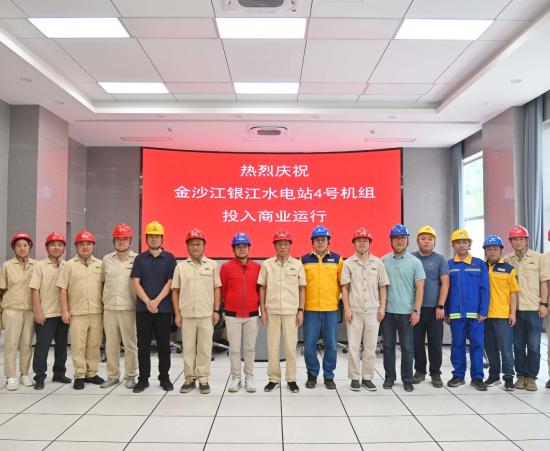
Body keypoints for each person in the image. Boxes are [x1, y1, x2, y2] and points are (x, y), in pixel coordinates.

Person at [172, 228, 222, 395]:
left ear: (204, 245)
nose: (195, 247)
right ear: (187, 246)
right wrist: (177, 314)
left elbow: (217, 289)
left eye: (198, 244)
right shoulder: (180, 267)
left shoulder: (212, 265)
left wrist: (216, 311)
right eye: (192, 244)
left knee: (205, 348)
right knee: (188, 349)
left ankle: (203, 379)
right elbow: (175, 291)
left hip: (206, 314)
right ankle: (189, 379)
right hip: (186, 315)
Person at [131, 221, 177, 393]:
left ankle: (164, 378)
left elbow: (170, 282)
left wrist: (156, 301)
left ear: (162, 238)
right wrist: (148, 302)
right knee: (143, 346)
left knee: (164, 346)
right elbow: (136, 283)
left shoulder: (170, 258)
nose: (154, 239)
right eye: (151, 236)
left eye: (157, 236)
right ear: (146, 238)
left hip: (163, 309)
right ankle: (143, 379)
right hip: (143, 310)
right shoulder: (139, 259)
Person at [341, 227, 389, 391]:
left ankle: (367, 377)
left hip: (373, 311)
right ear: (354, 243)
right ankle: (355, 377)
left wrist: (382, 307)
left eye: (365, 240)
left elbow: (383, 286)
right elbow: (345, 288)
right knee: (353, 347)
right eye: (359, 240)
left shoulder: (378, 262)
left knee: (370, 347)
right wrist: (347, 309)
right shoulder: (348, 263)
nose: (362, 243)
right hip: (354, 311)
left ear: (370, 243)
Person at [258, 230, 306, 393]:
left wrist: (301, 310)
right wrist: (262, 310)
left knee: (291, 347)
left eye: (286, 244)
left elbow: (302, 289)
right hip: (272, 311)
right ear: (275, 246)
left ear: (290, 245)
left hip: (291, 311)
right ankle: (273, 378)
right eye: (279, 244)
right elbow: (262, 288)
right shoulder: (267, 264)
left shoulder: (297, 265)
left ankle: (291, 379)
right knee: (272, 347)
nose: (283, 247)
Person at [57, 230, 105, 390]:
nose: (85, 247)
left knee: (94, 345)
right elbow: (62, 289)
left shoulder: (100, 264)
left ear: (93, 246)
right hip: (77, 313)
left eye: (88, 244)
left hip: (97, 312)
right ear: (76, 246)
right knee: (78, 346)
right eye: (81, 244)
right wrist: (65, 311)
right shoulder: (68, 265)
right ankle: (79, 375)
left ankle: (91, 373)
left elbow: (105, 287)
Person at [504, 225, 549, 391]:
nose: (518, 242)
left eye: (521, 239)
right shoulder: (507, 260)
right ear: (511, 242)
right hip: (515, 310)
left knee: (534, 346)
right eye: (514, 239)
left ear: (527, 240)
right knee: (517, 345)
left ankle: (531, 378)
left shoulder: (538, 258)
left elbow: (544, 282)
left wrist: (544, 304)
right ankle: (521, 376)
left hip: (533, 308)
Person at [381, 224, 425, 392]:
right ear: (391, 241)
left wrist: (417, 310)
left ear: (407, 240)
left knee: (407, 348)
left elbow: (420, 288)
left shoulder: (415, 262)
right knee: (388, 347)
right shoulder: (383, 261)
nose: (400, 241)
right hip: (388, 312)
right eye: (396, 238)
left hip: (407, 313)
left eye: (403, 238)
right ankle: (389, 377)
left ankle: (407, 379)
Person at [446, 229, 490, 391]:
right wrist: (446, 312)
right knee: (457, 345)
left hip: (475, 315)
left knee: (477, 345)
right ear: (453, 245)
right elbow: (445, 290)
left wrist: (483, 311)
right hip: (455, 314)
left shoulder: (479, 264)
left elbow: (485, 289)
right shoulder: (449, 265)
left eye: (464, 242)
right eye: (458, 242)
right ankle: (458, 375)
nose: (461, 245)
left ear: (470, 244)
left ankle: (477, 377)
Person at [300, 225, 343, 390]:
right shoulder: (303, 260)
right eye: (317, 239)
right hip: (310, 309)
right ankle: (312, 375)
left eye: (323, 239)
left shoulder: (337, 260)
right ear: (312, 242)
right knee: (309, 345)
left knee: (331, 345)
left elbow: (343, 284)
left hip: (330, 310)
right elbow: (300, 285)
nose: (320, 242)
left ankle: (329, 376)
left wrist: (338, 298)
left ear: (328, 242)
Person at [220, 232, 261, 393]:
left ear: (249, 248)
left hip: (252, 315)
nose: (242, 249)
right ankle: (235, 378)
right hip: (232, 315)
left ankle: (249, 377)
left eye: (244, 246)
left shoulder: (257, 267)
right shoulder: (226, 268)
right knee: (235, 349)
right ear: (233, 249)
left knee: (250, 348)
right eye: (238, 246)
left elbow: (260, 290)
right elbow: (223, 290)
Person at [29, 232, 71, 390]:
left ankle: (59, 373)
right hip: (46, 314)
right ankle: (39, 376)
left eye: (60, 245)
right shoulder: (39, 266)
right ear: (47, 247)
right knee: (42, 346)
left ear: (64, 248)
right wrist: (38, 311)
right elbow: (34, 290)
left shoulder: (67, 265)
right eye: (53, 245)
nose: (57, 247)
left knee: (61, 345)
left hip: (63, 313)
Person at [100, 223, 138, 389]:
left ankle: (131, 375)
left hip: (128, 308)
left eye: (125, 239)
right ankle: (112, 375)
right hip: (109, 308)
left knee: (130, 345)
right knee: (111, 345)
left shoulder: (137, 259)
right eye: (118, 239)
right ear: (114, 241)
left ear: (130, 241)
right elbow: (102, 282)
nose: (121, 241)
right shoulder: (107, 260)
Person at [411, 225, 450, 388]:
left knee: (435, 343)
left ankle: (435, 373)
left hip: (435, 309)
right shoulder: (411, 258)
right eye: (423, 239)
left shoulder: (440, 259)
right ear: (417, 241)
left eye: (430, 239)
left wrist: (441, 305)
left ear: (434, 242)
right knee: (417, 342)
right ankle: (419, 371)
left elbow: (445, 283)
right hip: (416, 309)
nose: (426, 242)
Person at [0, 232, 37, 390]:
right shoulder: (7, 266)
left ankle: (24, 374)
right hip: (12, 309)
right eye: (18, 245)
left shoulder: (36, 265)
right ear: (14, 248)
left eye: (25, 245)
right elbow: (1, 289)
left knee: (27, 344)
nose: (22, 248)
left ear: (30, 247)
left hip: (30, 310)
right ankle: (10, 376)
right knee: (11, 344)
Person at [483, 234, 518, 391]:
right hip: (485, 315)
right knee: (490, 348)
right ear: (485, 251)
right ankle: (494, 375)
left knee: (506, 348)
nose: (492, 252)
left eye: (495, 249)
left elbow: (513, 292)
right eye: (489, 249)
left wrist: (513, 313)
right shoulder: (481, 267)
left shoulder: (509, 269)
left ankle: (509, 377)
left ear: (501, 250)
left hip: (503, 315)